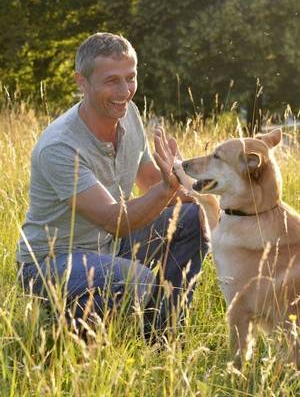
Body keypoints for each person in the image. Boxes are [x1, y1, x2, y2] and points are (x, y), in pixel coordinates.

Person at [16, 32, 209, 339]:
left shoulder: (128, 113)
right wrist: (165, 190)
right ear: (82, 82)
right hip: (51, 263)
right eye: (112, 81)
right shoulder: (60, 146)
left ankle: (164, 338)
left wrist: (182, 183)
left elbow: (147, 178)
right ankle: (70, 332)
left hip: (108, 247)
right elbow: (114, 221)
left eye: (130, 78)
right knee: (137, 279)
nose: (125, 91)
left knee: (192, 217)